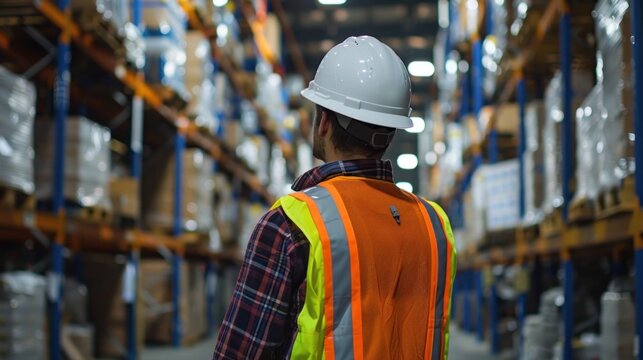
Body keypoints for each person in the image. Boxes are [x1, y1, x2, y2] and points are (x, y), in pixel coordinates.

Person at [213, 35, 457, 360]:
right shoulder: (435, 226)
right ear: (392, 130)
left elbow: (240, 353)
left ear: (324, 121)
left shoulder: (292, 224)